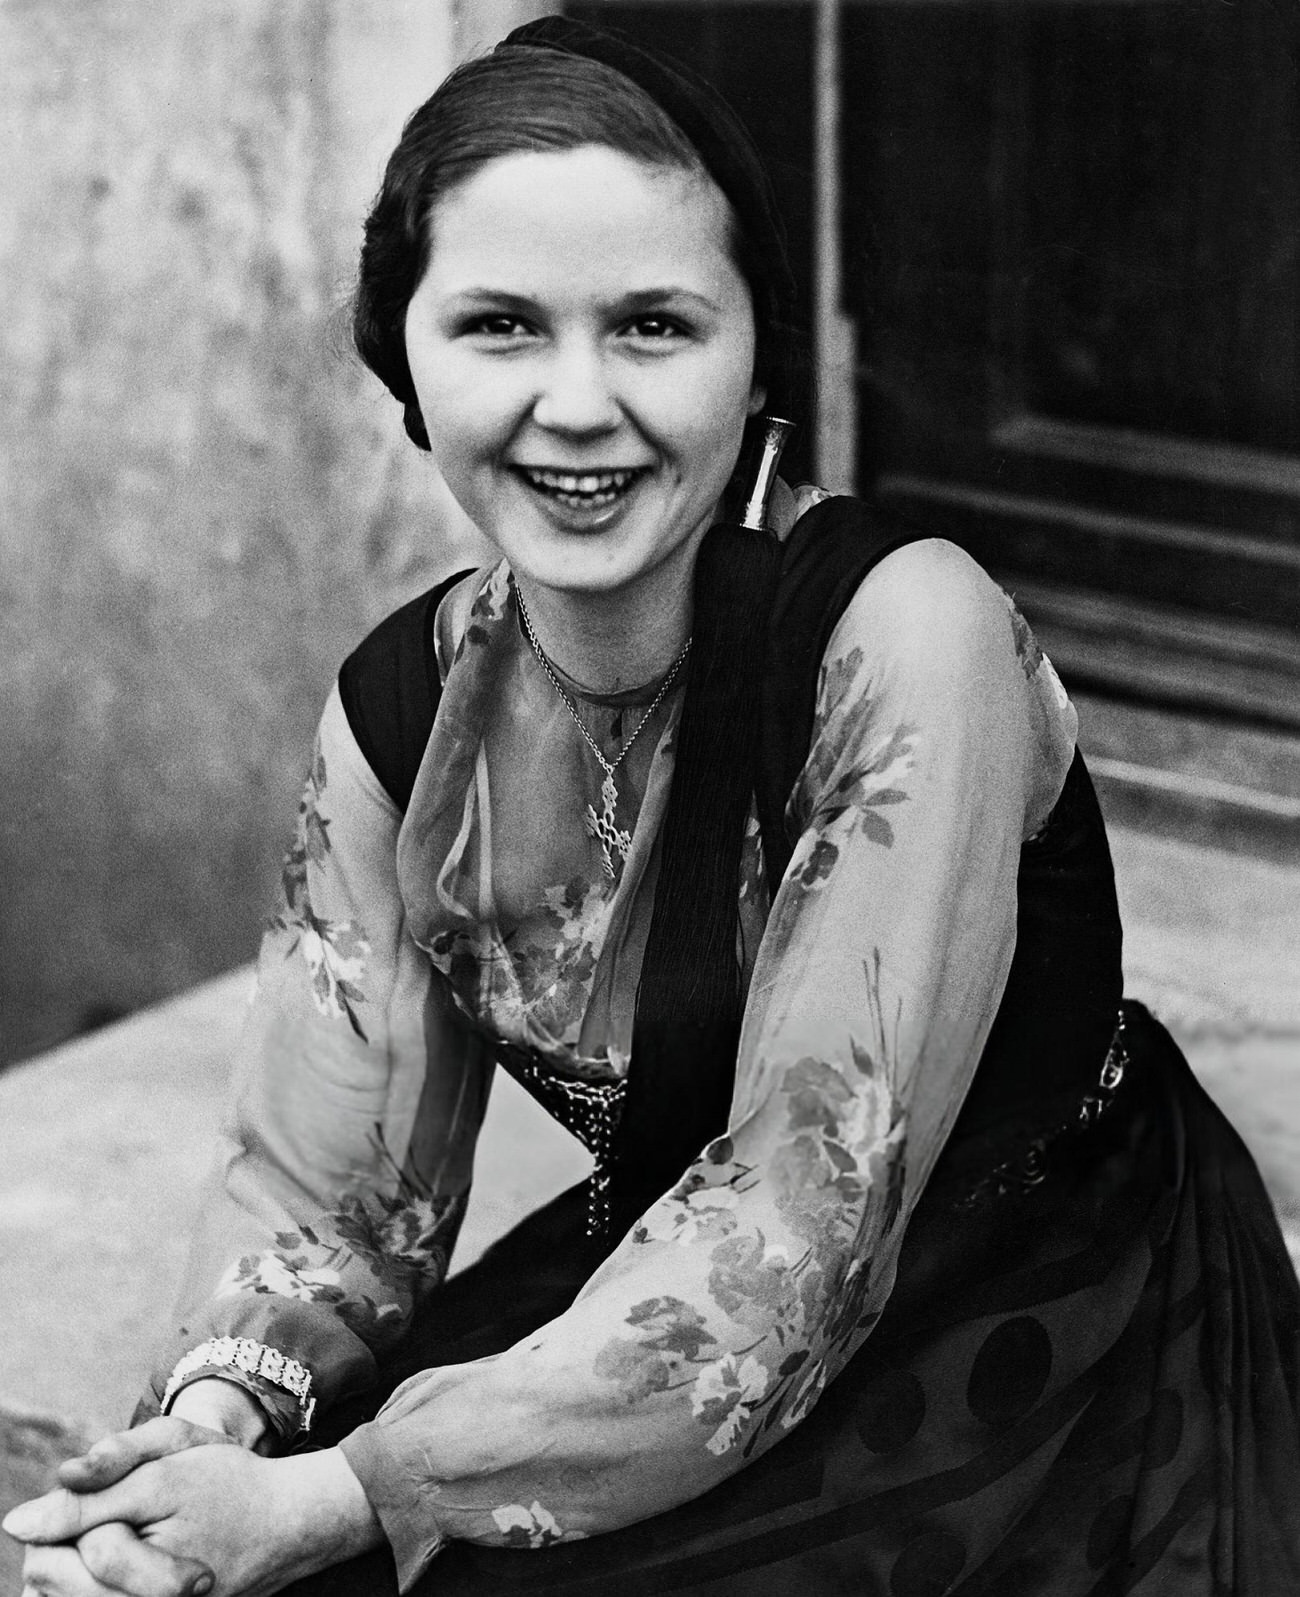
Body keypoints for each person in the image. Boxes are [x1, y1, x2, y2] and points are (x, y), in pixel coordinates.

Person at [8, 16, 1300, 1597]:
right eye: (497, 324)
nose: (576, 404)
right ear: (398, 351)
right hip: (666, 1285)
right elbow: (329, 1195)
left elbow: (797, 1232)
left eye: (652, 327)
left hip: (1033, 1315)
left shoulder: (907, 634)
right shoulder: (403, 712)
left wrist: (348, 1489)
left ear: (758, 348)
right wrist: (221, 1421)